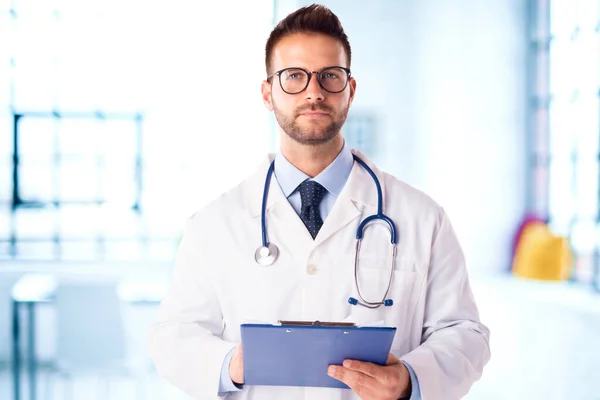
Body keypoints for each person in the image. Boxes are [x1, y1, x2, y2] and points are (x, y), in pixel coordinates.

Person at [148, 4, 490, 400]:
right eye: (294, 76)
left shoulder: (421, 217)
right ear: (267, 93)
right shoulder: (214, 223)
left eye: (330, 76)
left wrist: (410, 377)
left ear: (350, 90)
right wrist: (234, 365)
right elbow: (173, 337)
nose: (314, 92)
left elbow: (466, 335)